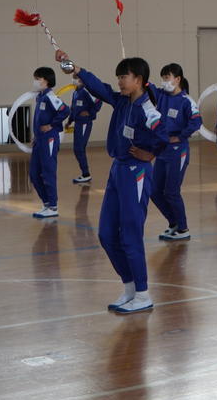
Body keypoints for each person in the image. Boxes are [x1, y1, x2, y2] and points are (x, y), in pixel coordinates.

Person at [54, 49, 169, 314]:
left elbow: (164, 135)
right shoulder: (121, 101)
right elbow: (99, 88)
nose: (119, 81)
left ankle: (143, 294)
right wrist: (75, 69)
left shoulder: (148, 109)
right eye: (118, 77)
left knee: (130, 235)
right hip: (118, 170)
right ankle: (129, 288)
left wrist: (150, 154)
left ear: (138, 80)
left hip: (136, 172)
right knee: (106, 234)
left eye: (123, 77)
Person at [151, 63, 202, 241]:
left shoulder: (186, 101)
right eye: (163, 78)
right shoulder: (162, 96)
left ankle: (183, 228)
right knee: (154, 191)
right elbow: (148, 87)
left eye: (167, 78)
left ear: (177, 79)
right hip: (162, 150)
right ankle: (173, 223)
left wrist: (180, 136)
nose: (164, 81)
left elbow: (196, 122)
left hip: (177, 151)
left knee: (171, 191)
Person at [29, 66, 70, 218]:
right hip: (39, 139)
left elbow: (65, 110)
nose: (35, 81)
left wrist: (52, 125)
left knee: (48, 172)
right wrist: (36, 135)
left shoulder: (51, 96)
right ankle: (46, 203)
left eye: (37, 79)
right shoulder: (40, 97)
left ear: (46, 81)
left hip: (49, 139)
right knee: (34, 173)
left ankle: (53, 206)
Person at [64, 74, 102, 184]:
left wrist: (89, 112)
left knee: (79, 149)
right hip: (77, 123)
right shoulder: (76, 92)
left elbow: (99, 101)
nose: (74, 80)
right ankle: (85, 173)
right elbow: (73, 109)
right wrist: (69, 121)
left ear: (81, 79)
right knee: (78, 149)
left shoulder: (87, 91)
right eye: (73, 78)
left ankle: (86, 174)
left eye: (76, 78)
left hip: (84, 123)